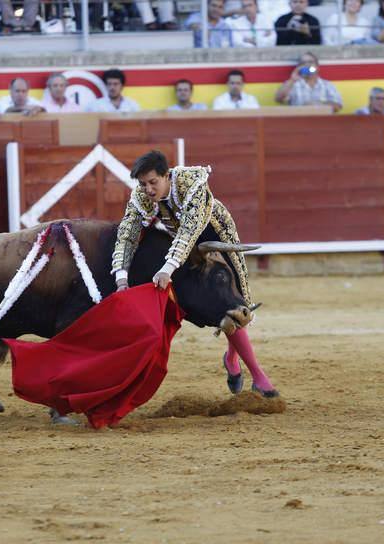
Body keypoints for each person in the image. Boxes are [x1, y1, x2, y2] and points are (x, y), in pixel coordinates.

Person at [112, 150, 280, 398]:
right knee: (221, 306)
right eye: (143, 184)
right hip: (183, 249)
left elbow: (191, 229)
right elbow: (127, 234)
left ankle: (235, 361)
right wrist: (121, 276)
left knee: (237, 303)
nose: (148, 189)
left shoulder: (191, 183)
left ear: (166, 175)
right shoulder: (142, 196)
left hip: (217, 236)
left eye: (153, 182)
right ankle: (257, 375)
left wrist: (168, 267)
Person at [274, 51, 342, 113]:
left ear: (317, 66)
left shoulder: (327, 85)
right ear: (299, 67)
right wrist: (292, 79)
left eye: (310, 62)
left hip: (323, 122)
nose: (307, 65)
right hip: (299, 123)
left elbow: (337, 106)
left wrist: (317, 105)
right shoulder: (292, 84)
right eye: (303, 63)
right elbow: (279, 99)